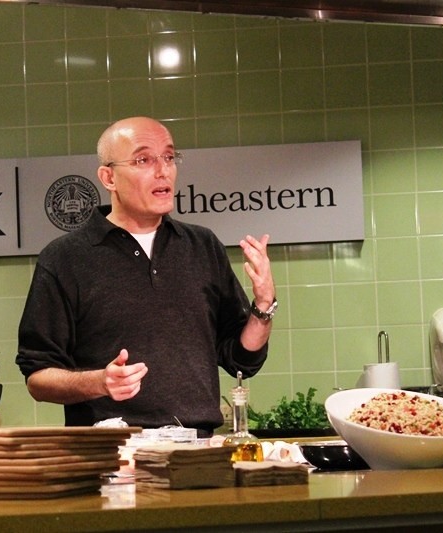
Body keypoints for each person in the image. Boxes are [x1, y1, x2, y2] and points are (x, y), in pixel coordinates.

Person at [16, 116, 277, 437]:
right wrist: (99, 382)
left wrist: (263, 306)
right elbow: (38, 378)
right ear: (108, 177)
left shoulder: (202, 246)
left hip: (195, 448)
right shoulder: (65, 258)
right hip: (110, 451)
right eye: (143, 160)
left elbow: (241, 361)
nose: (163, 170)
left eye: (169, 157)